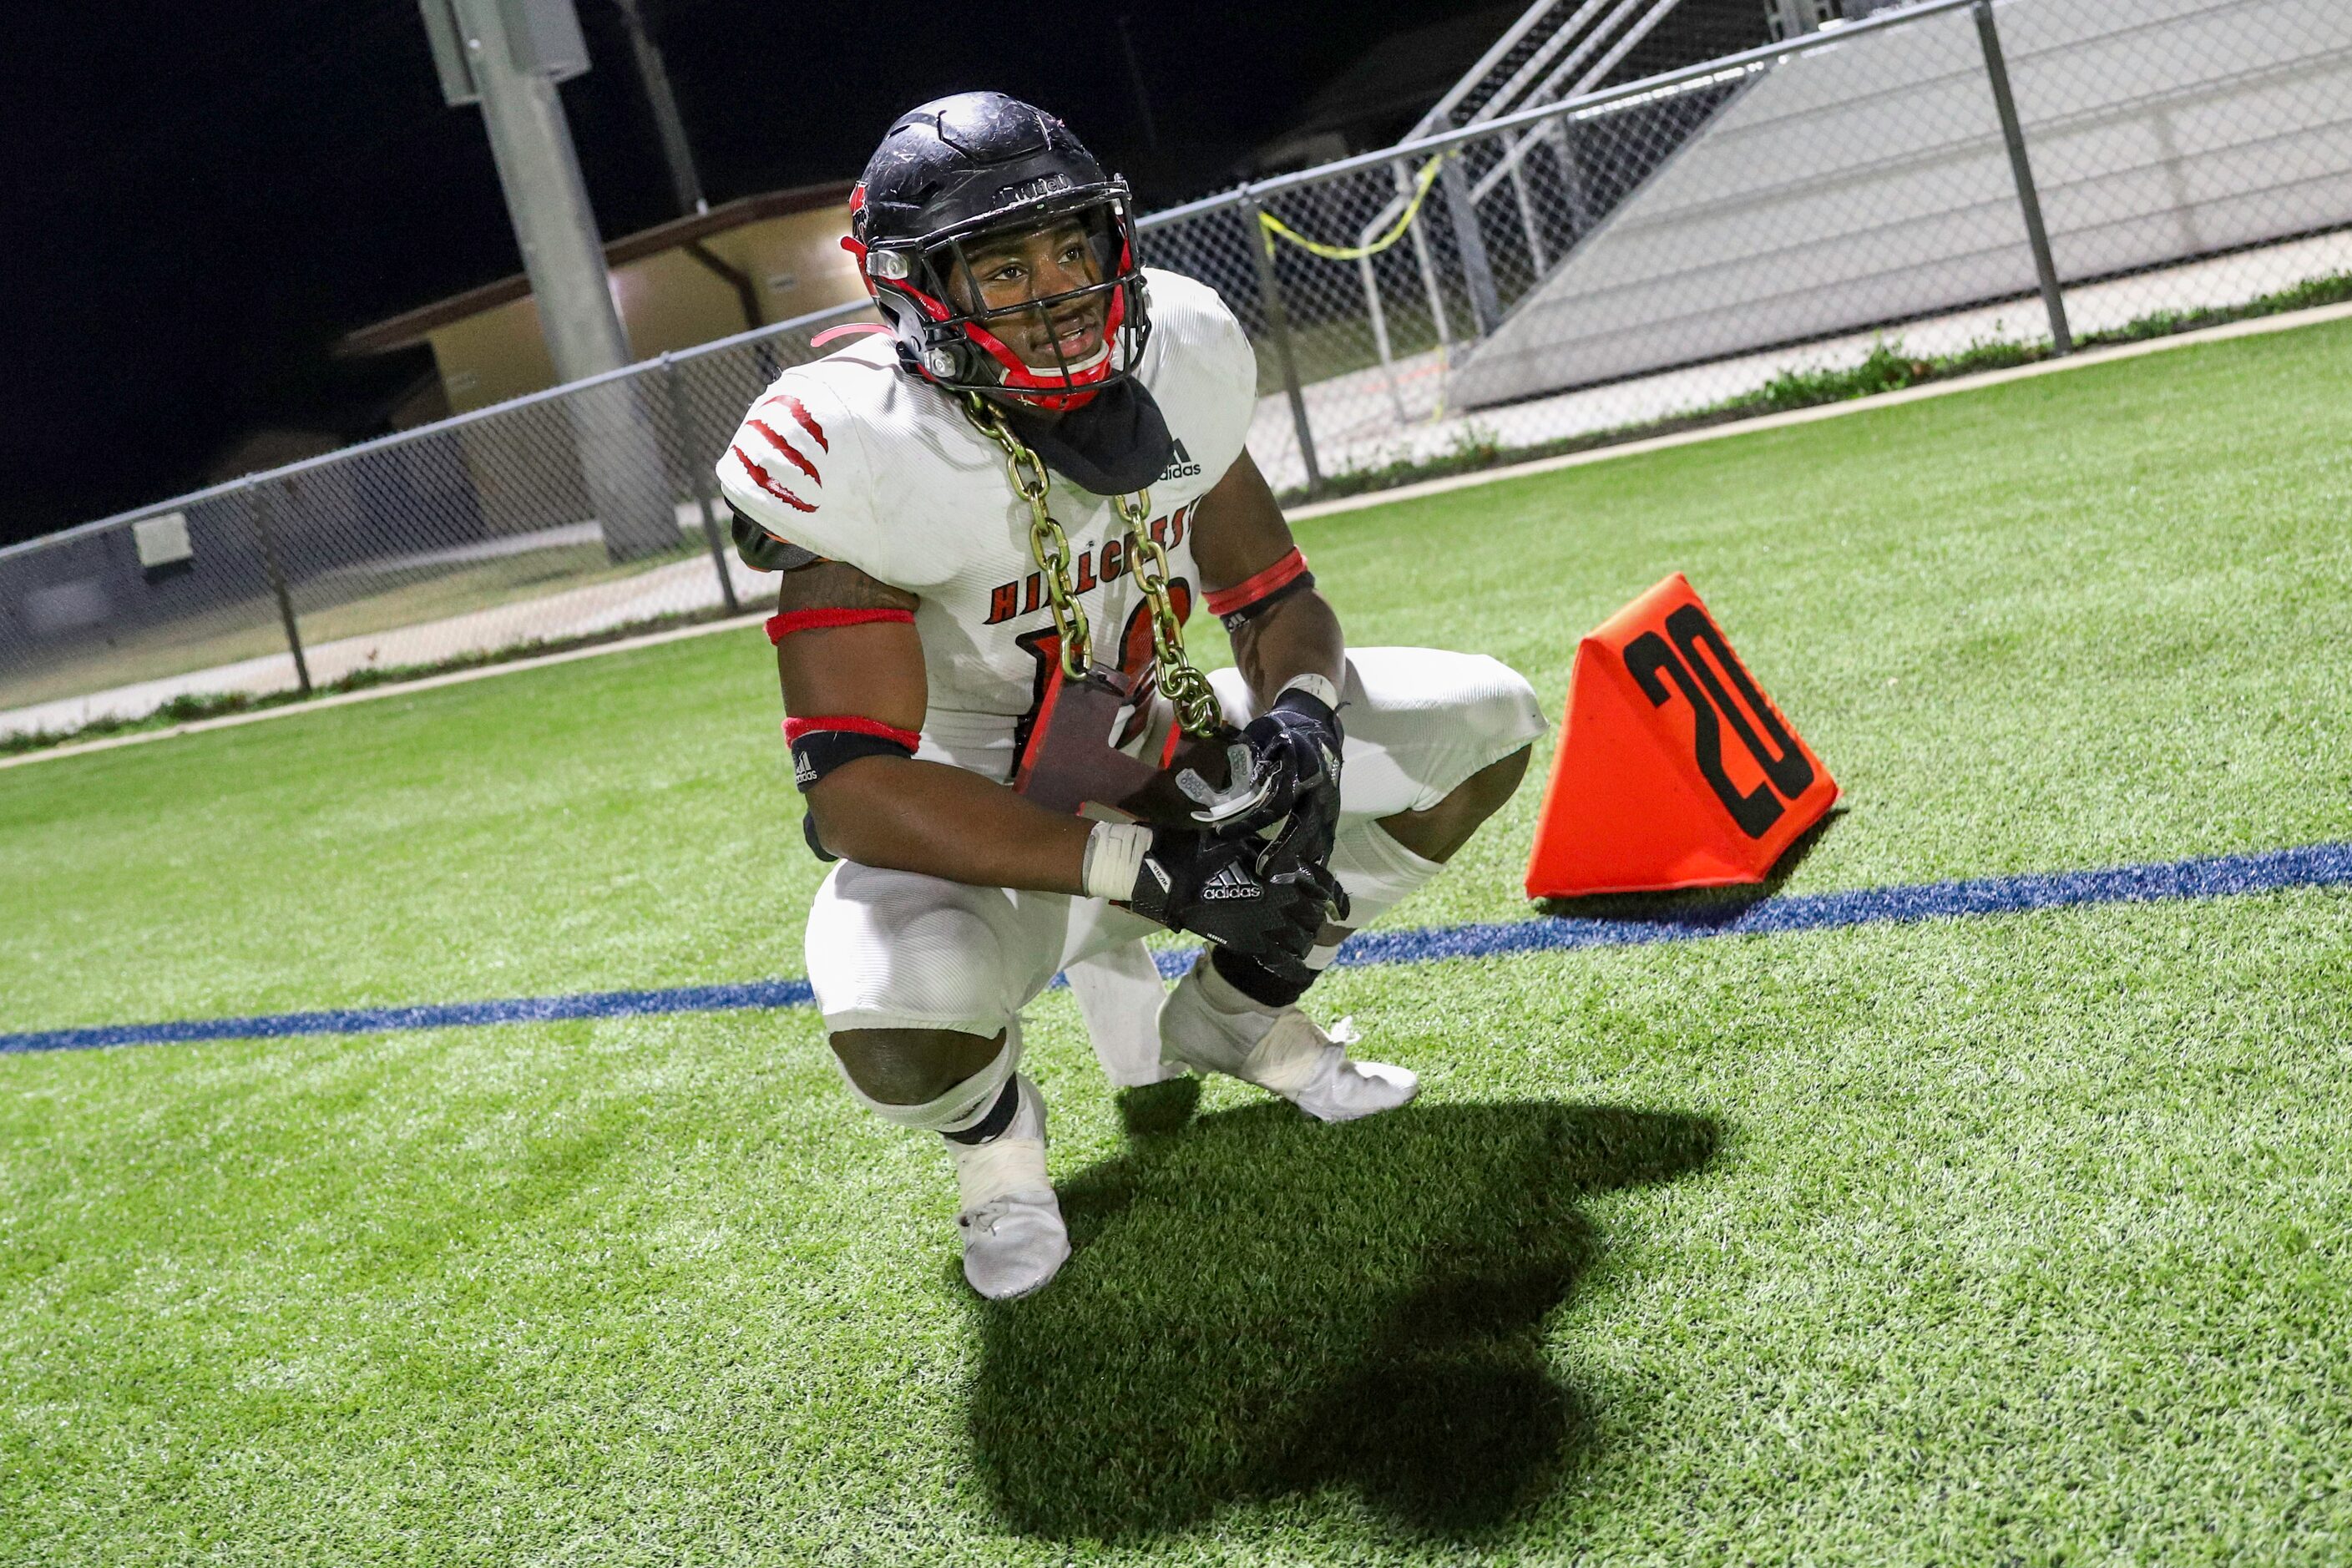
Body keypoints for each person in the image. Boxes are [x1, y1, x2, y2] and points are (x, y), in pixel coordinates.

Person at [717, 92, 1545, 1300]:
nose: (1055, 290)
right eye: (1001, 266)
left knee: (1482, 720)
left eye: (1070, 247)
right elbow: (855, 793)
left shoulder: (1178, 358)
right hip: (976, 817)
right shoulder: (859, 445)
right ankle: (995, 1148)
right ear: (913, 289)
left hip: (1165, 740)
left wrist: (1302, 715)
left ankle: (1241, 1007)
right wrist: (1142, 872)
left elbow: (1271, 598)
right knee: (895, 1023)